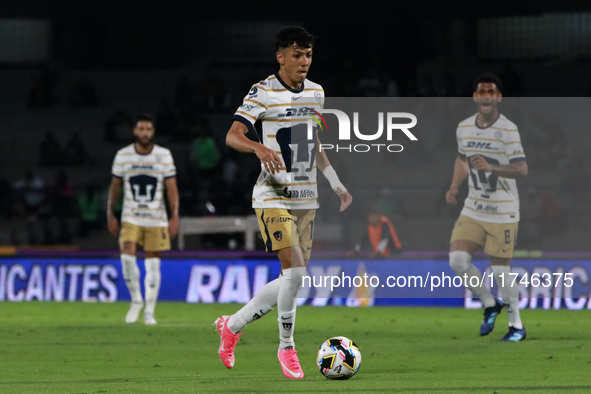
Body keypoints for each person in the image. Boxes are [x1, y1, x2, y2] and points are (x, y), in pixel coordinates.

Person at [215, 26, 353, 379]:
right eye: (296, 54)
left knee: (294, 277)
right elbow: (233, 136)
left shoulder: (317, 93)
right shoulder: (263, 92)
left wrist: (337, 184)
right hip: (272, 194)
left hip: (307, 198)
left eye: (308, 54)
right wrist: (257, 146)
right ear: (280, 57)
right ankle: (287, 347)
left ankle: (231, 325)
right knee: (294, 270)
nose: (304, 61)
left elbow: (314, 143)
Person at [445, 73, 528, 342]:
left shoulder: (508, 129)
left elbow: (522, 169)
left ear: (499, 97)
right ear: (475, 97)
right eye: (481, 91)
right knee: (457, 260)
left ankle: (516, 326)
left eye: (491, 91)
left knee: (501, 271)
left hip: (503, 210)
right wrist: (455, 187)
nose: (486, 95)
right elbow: (461, 160)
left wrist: (491, 166)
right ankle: (490, 304)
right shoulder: (464, 128)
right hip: (474, 207)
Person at [107, 114, 179, 325]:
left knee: (153, 265)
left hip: (156, 218)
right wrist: (110, 212)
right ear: (135, 131)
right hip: (131, 216)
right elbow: (115, 186)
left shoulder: (164, 155)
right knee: (126, 255)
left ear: (153, 132)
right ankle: (136, 300)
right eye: (141, 129)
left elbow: (171, 188)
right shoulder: (123, 155)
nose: (145, 132)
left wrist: (174, 217)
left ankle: (149, 310)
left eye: (148, 129)